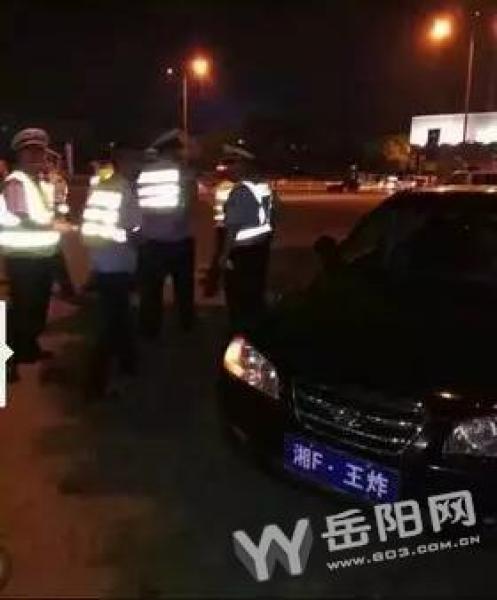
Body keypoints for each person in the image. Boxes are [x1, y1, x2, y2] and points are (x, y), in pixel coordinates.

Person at [0, 128, 64, 380]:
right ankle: (9, 361)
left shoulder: (40, 182)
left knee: (37, 308)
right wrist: (53, 225)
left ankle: (28, 349)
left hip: (41, 256)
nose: (37, 156)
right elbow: (22, 217)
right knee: (22, 310)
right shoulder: (16, 181)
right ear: (20, 155)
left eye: (40, 151)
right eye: (31, 152)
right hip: (23, 258)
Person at [80, 146, 141, 397]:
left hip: (102, 261)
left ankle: (128, 363)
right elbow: (134, 228)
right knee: (111, 323)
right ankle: (96, 382)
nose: (139, 167)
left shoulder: (99, 187)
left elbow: (90, 227)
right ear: (123, 163)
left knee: (119, 318)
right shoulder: (124, 189)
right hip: (118, 263)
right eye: (135, 162)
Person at [136, 129, 197, 339]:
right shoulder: (183, 172)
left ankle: (150, 329)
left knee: (151, 290)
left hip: (151, 240)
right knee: (184, 289)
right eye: (179, 149)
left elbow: (137, 205)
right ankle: (186, 326)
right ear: (172, 150)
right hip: (178, 240)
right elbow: (189, 202)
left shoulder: (144, 173)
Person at [217, 151, 275, 331]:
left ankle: (240, 331)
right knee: (255, 293)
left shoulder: (240, 191)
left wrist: (224, 255)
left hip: (242, 252)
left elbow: (233, 227)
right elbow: (276, 213)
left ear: (243, 167)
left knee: (238, 296)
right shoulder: (263, 187)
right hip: (260, 247)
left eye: (232, 165)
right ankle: (258, 328)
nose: (228, 169)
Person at [42, 149, 76, 301]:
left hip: (51, 220)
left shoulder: (55, 180)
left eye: (47, 161)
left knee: (54, 255)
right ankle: (63, 288)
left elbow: (58, 201)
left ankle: (65, 289)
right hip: (49, 220)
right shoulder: (49, 179)